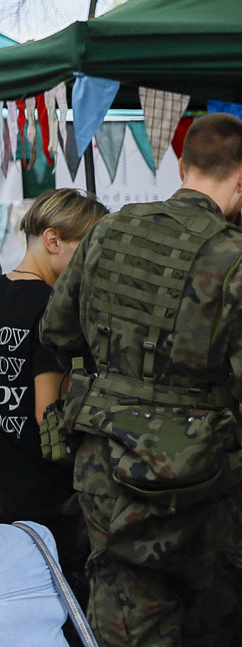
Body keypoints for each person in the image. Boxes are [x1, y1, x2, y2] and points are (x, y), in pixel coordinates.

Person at [41, 114, 242, 647]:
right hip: (202, 485)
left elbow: (57, 331)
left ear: (182, 165)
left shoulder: (106, 233)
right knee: (212, 646)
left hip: (109, 474)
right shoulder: (239, 257)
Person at [1, 190, 105, 546]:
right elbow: (48, 413)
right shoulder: (53, 308)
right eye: (87, 249)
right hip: (41, 499)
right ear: (53, 240)